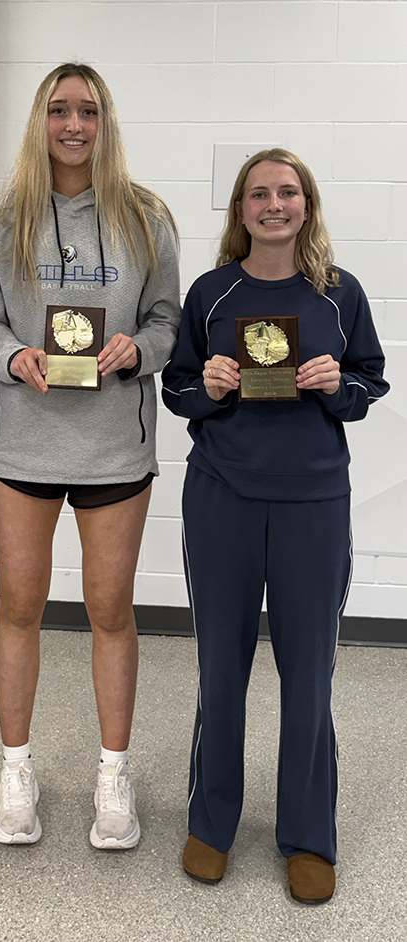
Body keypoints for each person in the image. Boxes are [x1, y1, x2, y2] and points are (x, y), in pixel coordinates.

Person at [161, 148, 388, 902]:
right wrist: (209, 386)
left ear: (307, 205)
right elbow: (177, 389)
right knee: (220, 668)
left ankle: (309, 835)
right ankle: (211, 822)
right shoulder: (211, 292)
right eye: (258, 194)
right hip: (222, 498)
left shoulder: (338, 293)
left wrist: (336, 385)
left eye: (288, 192)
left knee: (309, 674)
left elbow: (369, 383)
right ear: (240, 210)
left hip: (313, 502)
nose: (274, 205)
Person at [0, 63, 180, 849]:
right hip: (23, 439)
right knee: (19, 605)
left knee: (110, 610)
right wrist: (12, 357)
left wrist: (137, 350)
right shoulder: (3, 222)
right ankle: (15, 770)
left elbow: (168, 320)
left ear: (105, 122)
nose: (73, 125)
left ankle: (112, 776)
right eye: (59, 110)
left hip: (113, 448)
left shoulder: (146, 217)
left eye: (88, 111)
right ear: (41, 121)